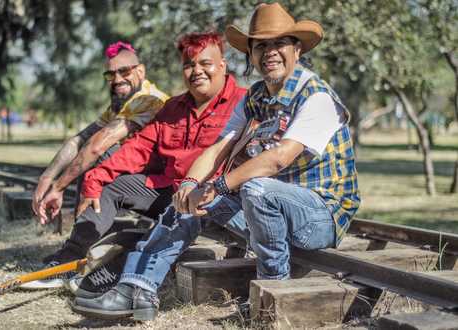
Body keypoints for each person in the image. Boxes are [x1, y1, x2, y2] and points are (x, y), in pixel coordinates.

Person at [70, 3, 360, 321]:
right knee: (189, 202)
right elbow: (218, 147)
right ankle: (137, 288)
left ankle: (274, 292)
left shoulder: (315, 95)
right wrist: (192, 187)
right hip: (270, 207)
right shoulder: (256, 97)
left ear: (297, 48)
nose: (270, 52)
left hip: (320, 216)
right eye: (261, 45)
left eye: (279, 43)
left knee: (256, 188)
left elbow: (277, 159)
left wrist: (218, 185)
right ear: (250, 53)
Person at [28, 32, 246, 293]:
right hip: (171, 192)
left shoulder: (243, 102)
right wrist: (95, 179)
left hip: (214, 199)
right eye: (189, 65)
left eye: (205, 63)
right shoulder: (173, 107)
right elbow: (139, 147)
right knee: (110, 186)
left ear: (222, 65)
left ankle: (115, 275)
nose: (196, 71)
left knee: (164, 225)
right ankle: (69, 261)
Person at [33, 41, 168, 224]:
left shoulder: (149, 99)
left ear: (140, 71)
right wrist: (46, 177)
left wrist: (58, 187)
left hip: (161, 187)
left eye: (124, 71)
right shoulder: (120, 105)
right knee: (88, 151)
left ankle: (83, 235)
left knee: (97, 152)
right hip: (140, 176)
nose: (117, 79)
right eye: (111, 74)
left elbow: (96, 147)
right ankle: (82, 231)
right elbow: (79, 140)